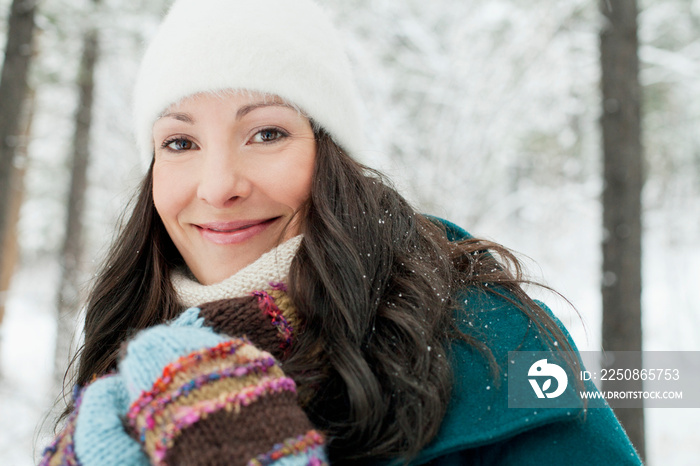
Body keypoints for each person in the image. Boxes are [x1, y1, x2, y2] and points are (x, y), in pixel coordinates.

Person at [41, 0, 643, 465]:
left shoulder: (488, 338)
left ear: (335, 156)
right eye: (179, 142)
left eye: (267, 133)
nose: (218, 185)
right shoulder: (119, 362)